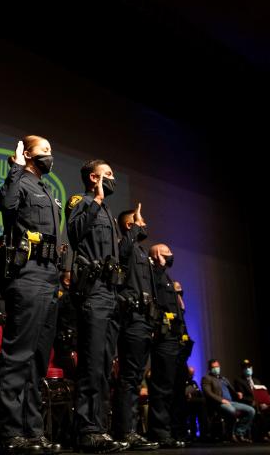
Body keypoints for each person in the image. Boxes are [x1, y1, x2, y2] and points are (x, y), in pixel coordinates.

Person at [0, 136, 64, 454]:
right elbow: (4, 204)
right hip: (27, 275)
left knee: (37, 360)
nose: (51, 155)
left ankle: (32, 430)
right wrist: (15, 170)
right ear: (28, 154)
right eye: (45, 151)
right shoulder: (19, 182)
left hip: (49, 279)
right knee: (18, 356)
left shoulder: (47, 190)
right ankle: (9, 432)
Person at [66, 159, 124, 453]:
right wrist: (97, 200)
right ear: (93, 178)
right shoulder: (82, 201)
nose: (113, 179)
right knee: (91, 364)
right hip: (93, 292)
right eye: (108, 174)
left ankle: (99, 428)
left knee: (103, 365)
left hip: (109, 293)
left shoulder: (108, 212)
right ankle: (87, 430)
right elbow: (75, 235)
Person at [112, 205, 158, 450]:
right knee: (129, 378)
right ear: (130, 226)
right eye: (140, 220)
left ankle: (130, 430)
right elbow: (121, 252)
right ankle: (125, 431)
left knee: (136, 376)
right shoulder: (126, 247)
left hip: (144, 320)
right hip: (130, 320)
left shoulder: (141, 252)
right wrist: (133, 231)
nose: (144, 224)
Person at [147, 243, 188, 449]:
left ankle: (170, 430)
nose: (171, 255)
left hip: (174, 339)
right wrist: (160, 266)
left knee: (171, 387)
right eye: (167, 253)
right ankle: (159, 432)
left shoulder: (168, 279)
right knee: (161, 387)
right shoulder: (155, 275)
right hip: (163, 340)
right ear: (158, 256)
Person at [201, 358, 255, 443]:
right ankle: (231, 435)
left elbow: (232, 391)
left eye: (217, 366)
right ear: (210, 369)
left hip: (231, 402)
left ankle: (239, 432)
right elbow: (208, 393)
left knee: (251, 410)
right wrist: (221, 400)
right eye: (214, 367)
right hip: (218, 403)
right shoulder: (206, 378)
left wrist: (237, 394)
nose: (216, 368)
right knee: (232, 411)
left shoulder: (224, 378)